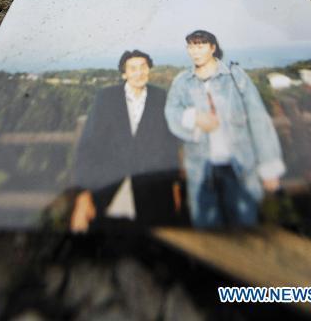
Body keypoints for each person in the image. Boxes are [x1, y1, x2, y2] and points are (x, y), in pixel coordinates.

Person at [165, 30, 285, 228]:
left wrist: (269, 167)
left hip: (240, 167)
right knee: (209, 232)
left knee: (246, 227)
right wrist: (193, 117)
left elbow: (258, 119)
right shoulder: (181, 82)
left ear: (213, 48)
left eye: (200, 46)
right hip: (201, 171)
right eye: (191, 46)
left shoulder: (235, 77)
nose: (195, 51)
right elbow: (171, 113)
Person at [70, 50, 181, 231]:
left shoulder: (161, 98)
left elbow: (169, 144)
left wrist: (174, 187)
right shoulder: (106, 98)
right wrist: (83, 196)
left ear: (149, 70)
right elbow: (88, 146)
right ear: (124, 73)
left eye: (143, 67)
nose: (139, 72)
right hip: (110, 187)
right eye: (133, 68)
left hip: (152, 191)